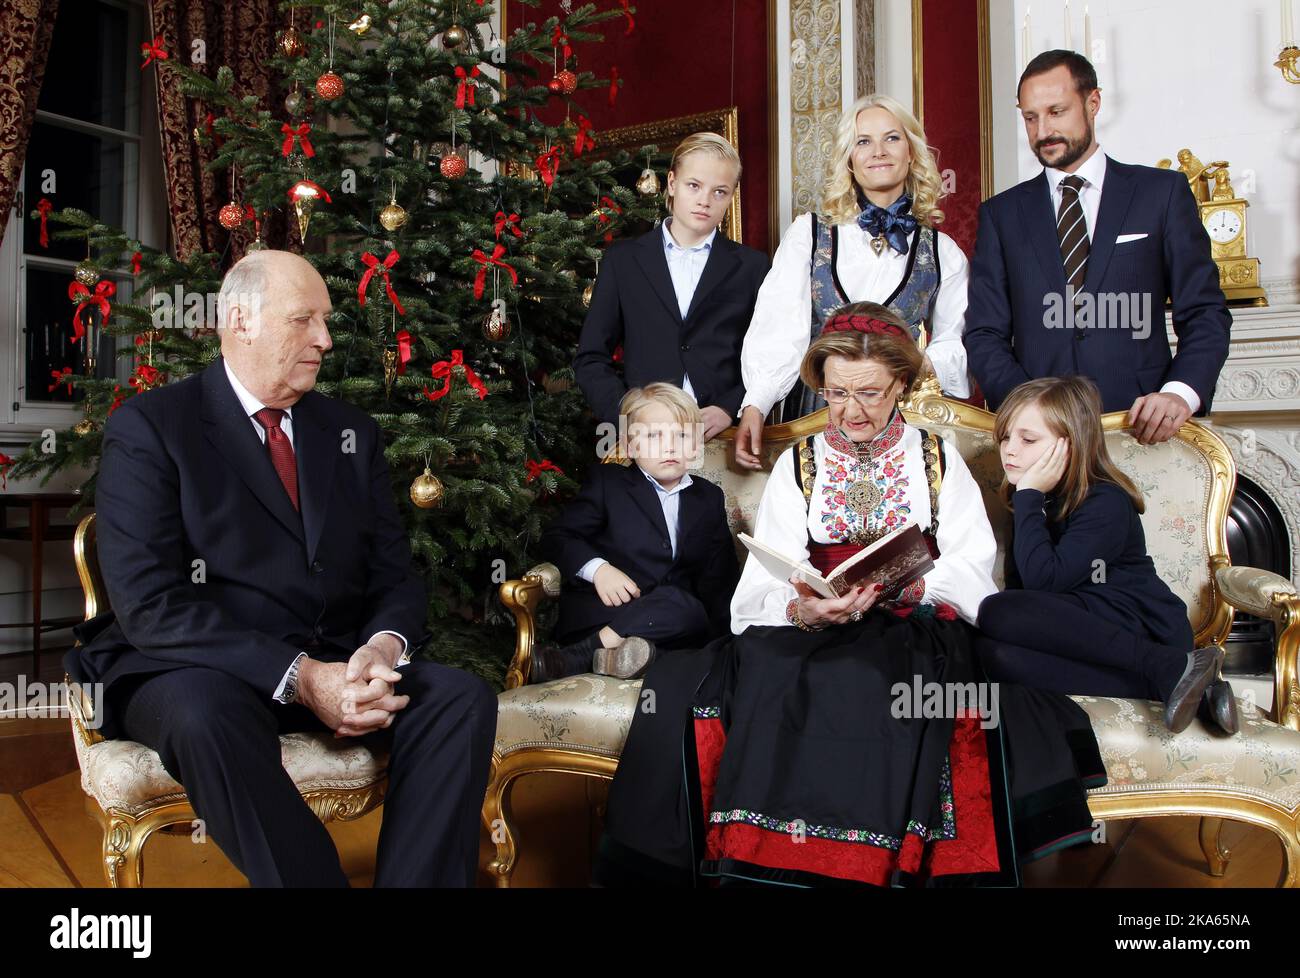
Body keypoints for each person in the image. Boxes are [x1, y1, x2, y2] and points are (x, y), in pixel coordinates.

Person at [595, 305, 1105, 888]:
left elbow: (974, 568)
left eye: (868, 393)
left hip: (914, 625)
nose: (850, 410)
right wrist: (803, 608)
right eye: (837, 393)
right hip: (815, 622)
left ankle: (871, 866)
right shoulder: (799, 463)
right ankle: (773, 863)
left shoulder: (938, 459)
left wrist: (914, 584)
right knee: (771, 671)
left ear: (901, 385)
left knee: (878, 679)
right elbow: (763, 578)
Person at [67, 250, 497, 887]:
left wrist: (381, 648)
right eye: (304, 320)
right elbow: (151, 606)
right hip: (193, 667)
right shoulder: (152, 427)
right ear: (241, 320)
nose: (325, 339)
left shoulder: (350, 433)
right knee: (206, 714)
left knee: (460, 698)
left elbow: (394, 574)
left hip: (337, 662)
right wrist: (301, 677)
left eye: (325, 321)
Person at [964, 50, 1231, 445]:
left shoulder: (1161, 194)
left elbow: (1204, 311)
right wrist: (1027, 406)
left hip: (1142, 427)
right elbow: (984, 333)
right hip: (1040, 438)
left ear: (1093, 103)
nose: (1043, 131)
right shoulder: (1000, 215)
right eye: (1030, 117)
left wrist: (1180, 393)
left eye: (1056, 112)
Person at [975, 376, 1238, 735]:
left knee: (998, 611)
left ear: (1070, 444)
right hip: (1086, 631)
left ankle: (1168, 664)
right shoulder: (1031, 500)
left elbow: (1044, 583)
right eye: (1005, 437)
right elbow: (1027, 589)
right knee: (993, 656)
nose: (1010, 450)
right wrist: (1029, 501)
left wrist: (1029, 497)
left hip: (1137, 624)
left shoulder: (1104, 500)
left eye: (1028, 439)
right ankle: (1187, 686)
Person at [734, 93, 972, 470]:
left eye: (891, 138)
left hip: (900, 416)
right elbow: (779, 328)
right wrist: (757, 402)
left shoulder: (943, 251)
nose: (878, 151)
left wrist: (914, 364)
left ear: (911, 152)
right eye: (863, 141)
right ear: (849, 158)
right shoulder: (808, 235)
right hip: (816, 411)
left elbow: (956, 342)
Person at [531, 383, 739, 683]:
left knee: (688, 614)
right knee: (679, 605)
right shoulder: (609, 483)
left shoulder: (708, 497)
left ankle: (611, 659)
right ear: (630, 447)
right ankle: (581, 654)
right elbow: (557, 537)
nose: (670, 447)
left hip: (672, 624)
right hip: (605, 613)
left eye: (682, 436)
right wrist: (599, 570)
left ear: (696, 446)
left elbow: (719, 579)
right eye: (654, 436)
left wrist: (727, 641)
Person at [574, 132, 769, 440]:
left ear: (732, 195)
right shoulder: (623, 261)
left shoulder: (752, 267)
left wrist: (730, 407)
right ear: (673, 183)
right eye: (694, 186)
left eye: (719, 191)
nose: (705, 201)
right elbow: (591, 357)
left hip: (723, 436)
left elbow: (768, 357)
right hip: (643, 438)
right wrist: (629, 416)